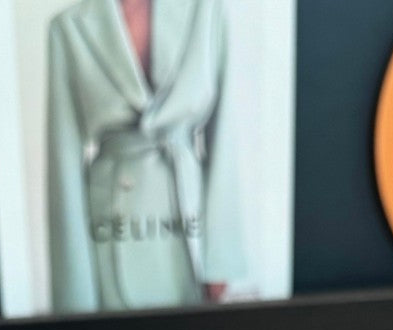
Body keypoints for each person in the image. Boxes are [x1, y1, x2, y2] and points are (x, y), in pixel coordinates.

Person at [47, 0, 245, 312]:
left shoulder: (207, 12)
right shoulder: (69, 27)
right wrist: (74, 290)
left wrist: (220, 259)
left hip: (189, 225)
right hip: (109, 231)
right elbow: (62, 159)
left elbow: (226, 134)